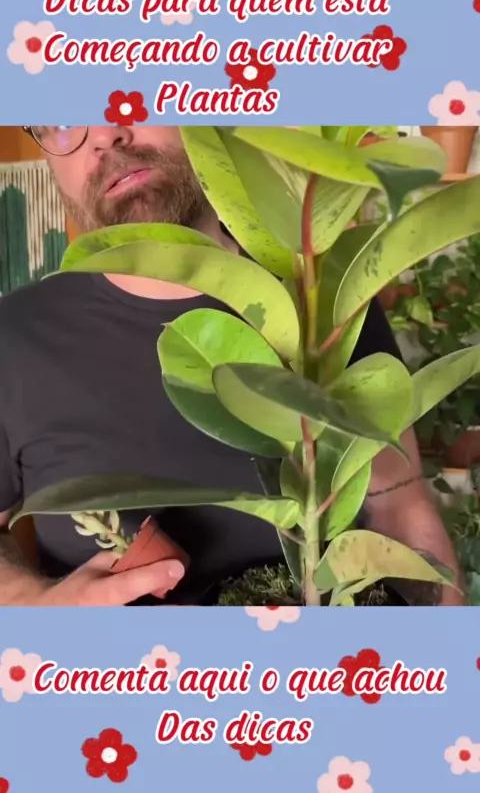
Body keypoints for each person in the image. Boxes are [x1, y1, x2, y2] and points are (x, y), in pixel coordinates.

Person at [0, 125, 464, 606]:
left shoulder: (329, 300)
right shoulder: (12, 337)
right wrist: (38, 605)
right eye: (60, 120)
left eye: (135, 94)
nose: (104, 135)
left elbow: (400, 505)